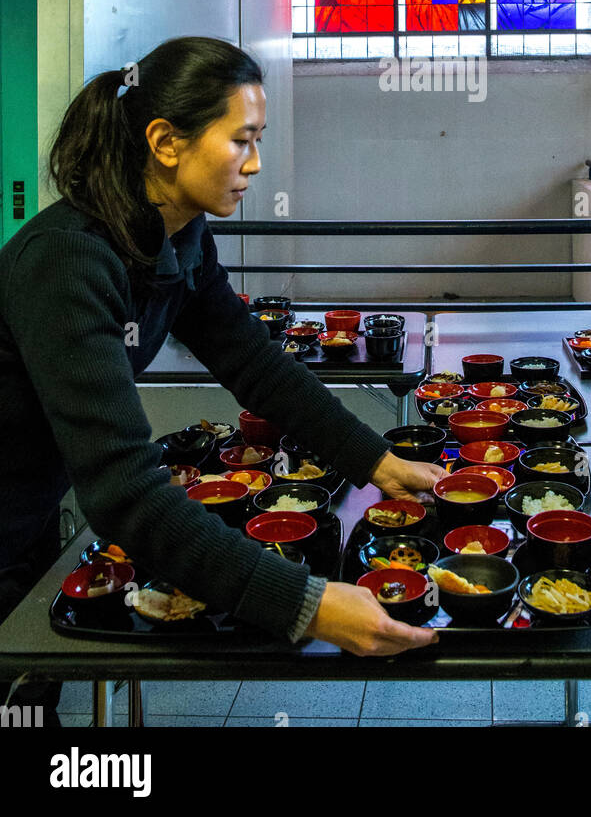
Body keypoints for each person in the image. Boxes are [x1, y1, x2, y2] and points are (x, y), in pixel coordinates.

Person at [0, 36, 444, 716]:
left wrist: (376, 460)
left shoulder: (179, 235)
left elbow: (253, 361)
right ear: (166, 142)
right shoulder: (66, 261)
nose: (256, 163)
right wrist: (306, 605)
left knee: (32, 705)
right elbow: (124, 492)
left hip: (27, 517)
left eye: (259, 139)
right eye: (241, 140)